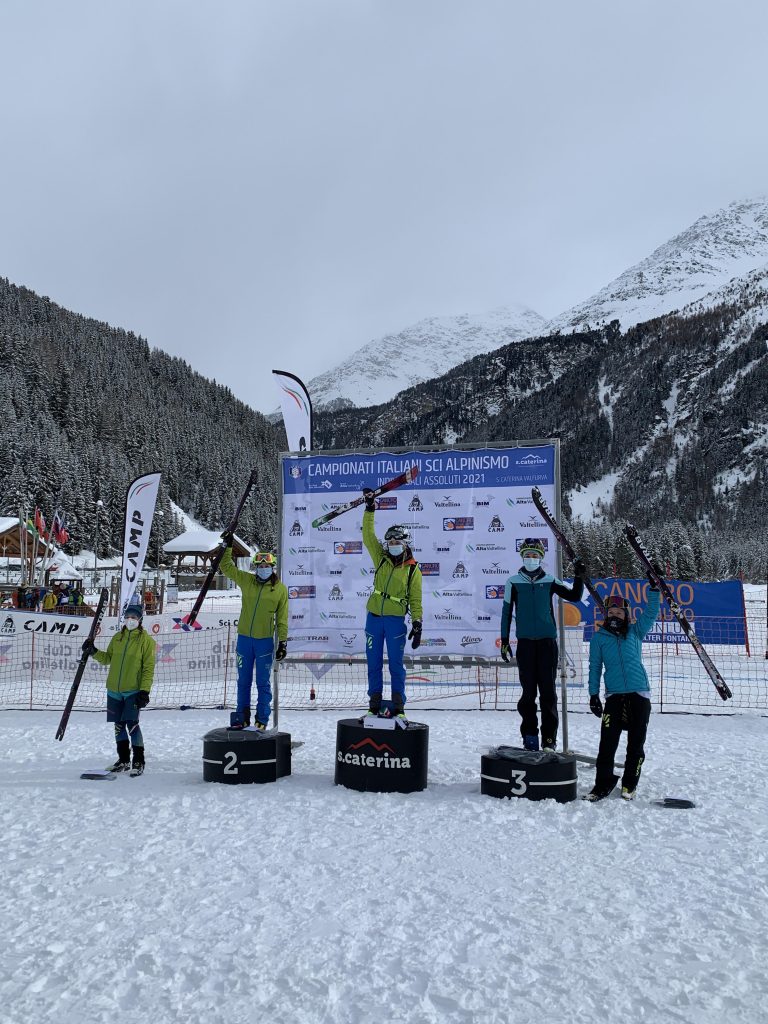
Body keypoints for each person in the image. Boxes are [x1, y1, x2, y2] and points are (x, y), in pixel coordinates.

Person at [500, 538, 585, 752]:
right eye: (527, 555)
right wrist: (504, 641)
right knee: (528, 694)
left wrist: (579, 576)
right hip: (526, 644)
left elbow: (574, 596)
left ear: (541, 558)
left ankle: (549, 740)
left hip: (547, 643)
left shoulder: (550, 580)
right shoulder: (513, 582)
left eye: (535, 555)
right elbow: (506, 613)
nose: (531, 559)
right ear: (522, 557)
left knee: (548, 693)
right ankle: (530, 737)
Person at [585, 577, 661, 802]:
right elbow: (595, 667)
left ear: (626, 615)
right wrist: (593, 694)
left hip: (639, 693)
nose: (614, 615)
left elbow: (651, 612)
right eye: (611, 612)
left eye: (619, 612)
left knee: (636, 744)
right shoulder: (599, 639)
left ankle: (630, 784)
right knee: (607, 744)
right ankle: (602, 784)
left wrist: (654, 590)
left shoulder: (636, 631)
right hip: (614, 696)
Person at [361, 488, 423, 718]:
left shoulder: (413, 569)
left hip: (396, 621)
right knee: (374, 664)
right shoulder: (381, 559)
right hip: (374, 619)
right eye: (390, 542)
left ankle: (399, 706)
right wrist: (370, 509)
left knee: (396, 665)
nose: (393, 544)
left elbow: (415, 599)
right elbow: (368, 536)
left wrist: (417, 622)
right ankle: (374, 704)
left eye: (397, 541)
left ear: (405, 543)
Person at [220, 538, 288, 729]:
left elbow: (282, 619)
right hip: (244, 640)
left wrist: (282, 642)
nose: (263, 568)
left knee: (263, 683)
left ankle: (262, 720)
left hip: (264, 642)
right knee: (243, 682)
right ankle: (242, 718)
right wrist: (228, 547)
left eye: (267, 566)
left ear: (272, 567)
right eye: (260, 566)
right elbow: (226, 568)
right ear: (256, 567)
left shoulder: (280, 589)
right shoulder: (247, 580)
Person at [82, 601, 156, 775]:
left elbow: (148, 669)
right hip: (114, 690)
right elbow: (108, 658)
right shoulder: (117, 638)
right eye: (127, 616)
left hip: (133, 691)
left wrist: (144, 691)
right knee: (118, 726)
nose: (130, 619)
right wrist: (93, 651)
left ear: (140, 619)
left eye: (134, 617)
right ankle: (123, 760)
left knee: (132, 725)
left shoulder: (147, 641)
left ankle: (138, 761)